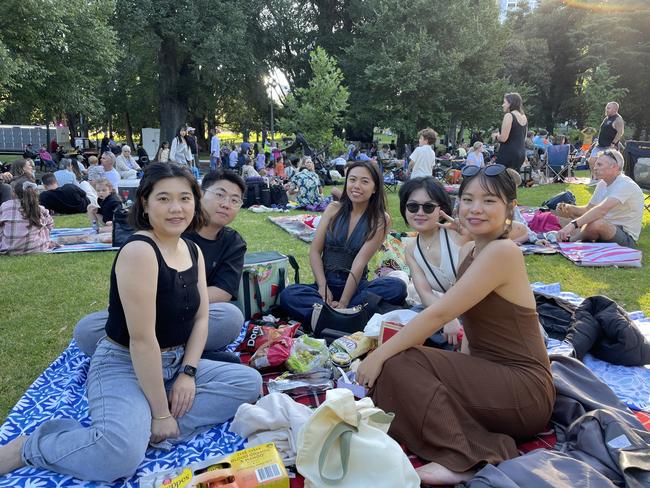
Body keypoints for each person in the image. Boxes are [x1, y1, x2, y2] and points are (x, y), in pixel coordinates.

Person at [0, 163, 262, 481]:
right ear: (145, 205)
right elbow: (141, 340)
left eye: (184, 198)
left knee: (248, 383)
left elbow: (203, 317)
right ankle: (32, 446)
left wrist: (188, 374)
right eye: (164, 199)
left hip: (174, 360)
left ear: (194, 202)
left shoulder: (192, 249)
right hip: (125, 363)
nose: (176, 208)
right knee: (118, 459)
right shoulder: (140, 251)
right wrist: (162, 411)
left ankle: (156, 430)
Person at [357, 164, 554, 486]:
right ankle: (470, 440)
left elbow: (437, 315)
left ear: (510, 207)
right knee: (397, 378)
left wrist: (377, 355)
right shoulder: (473, 250)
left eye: (489, 201)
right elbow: (469, 326)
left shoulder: (502, 252)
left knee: (399, 361)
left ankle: (467, 457)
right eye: (468, 199)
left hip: (524, 390)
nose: (476, 208)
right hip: (494, 375)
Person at [74, 169, 249, 364]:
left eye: (235, 200)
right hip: (147, 310)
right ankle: (182, 355)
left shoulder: (233, 243)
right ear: (200, 194)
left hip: (192, 314)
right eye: (220, 195)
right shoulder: (172, 227)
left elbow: (223, 292)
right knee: (87, 330)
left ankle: (169, 355)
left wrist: (176, 302)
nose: (226, 204)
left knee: (231, 317)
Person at [280, 160, 407, 324]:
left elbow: (359, 262)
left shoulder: (380, 219)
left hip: (356, 290)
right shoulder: (333, 209)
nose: (356, 186)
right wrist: (323, 288)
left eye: (364, 181)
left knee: (397, 286)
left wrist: (345, 302)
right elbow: (314, 252)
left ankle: (332, 315)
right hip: (326, 284)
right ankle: (347, 316)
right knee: (289, 294)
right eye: (352, 180)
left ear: (375, 188)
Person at [557, 149, 643, 248]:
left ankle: (571, 240)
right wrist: (570, 208)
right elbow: (588, 209)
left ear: (614, 167)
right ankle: (574, 234)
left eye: (599, 165)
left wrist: (573, 224)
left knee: (597, 223)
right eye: (596, 164)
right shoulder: (602, 183)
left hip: (625, 237)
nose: (594, 168)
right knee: (560, 216)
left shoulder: (626, 185)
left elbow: (601, 210)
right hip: (603, 228)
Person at [0, 177, 53, 255]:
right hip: (36, 248)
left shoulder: (5, 206)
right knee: (44, 225)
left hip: (8, 249)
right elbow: (50, 226)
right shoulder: (40, 209)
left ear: (14, 192)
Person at [493, 93, 528, 171]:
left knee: (502, 179)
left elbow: (503, 138)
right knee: (513, 180)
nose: (502, 105)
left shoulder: (509, 116)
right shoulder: (524, 117)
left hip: (508, 153)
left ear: (510, 103)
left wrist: (496, 136)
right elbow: (524, 138)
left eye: (504, 102)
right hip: (521, 153)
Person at [588, 102, 625, 174]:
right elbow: (602, 131)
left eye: (608, 108)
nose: (606, 110)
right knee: (591, 160)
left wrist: (613, 143)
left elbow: (620, 132)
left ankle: (615, 178)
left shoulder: (618, 119)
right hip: (600, 145)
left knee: (610, 164)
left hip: (610, 146)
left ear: (615, 109)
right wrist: (597, 141)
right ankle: (595, 178)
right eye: (606, 108)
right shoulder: (606, 118)